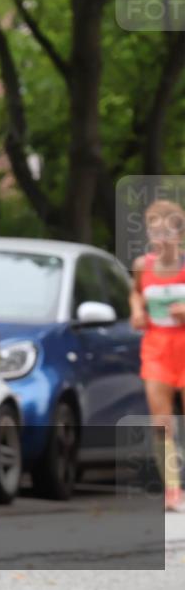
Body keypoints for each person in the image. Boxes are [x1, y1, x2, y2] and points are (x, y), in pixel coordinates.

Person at [129, 199, 185, 512]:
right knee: (162, 422)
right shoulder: (142, 266)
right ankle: (173, 490)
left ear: (179, 235)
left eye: (167, 232)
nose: (160, 238)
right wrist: (137, 310)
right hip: (157, 348)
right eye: (154, 231)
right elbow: (135, 291)